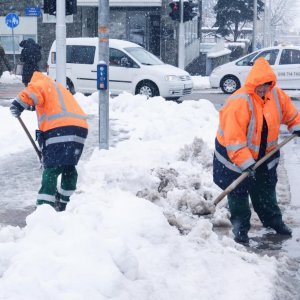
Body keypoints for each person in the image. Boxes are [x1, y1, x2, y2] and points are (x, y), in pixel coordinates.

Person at [213, 57, 300, 244]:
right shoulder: (240, 101)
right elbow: (234, 139)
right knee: (239, 192)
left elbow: (291, 114)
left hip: (264, 155)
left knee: (266, 189)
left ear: (271, 83)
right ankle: (240, 228)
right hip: (233, 154)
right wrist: (245, 162)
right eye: (259, 85)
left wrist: (296, 125)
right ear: (253, 82)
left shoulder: (276, 95)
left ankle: (273, 221)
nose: (263, 88)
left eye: (266, 85)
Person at [10, 71, 88, 211]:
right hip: (79, 129)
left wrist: (18, 104)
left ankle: (44, 208)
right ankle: (67, 202)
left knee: (51, 168)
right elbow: (42, 102)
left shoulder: (40, 83)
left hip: (61, 129)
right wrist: (31, 107)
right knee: (68, 166)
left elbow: (31, 93)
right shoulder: (55, 86)